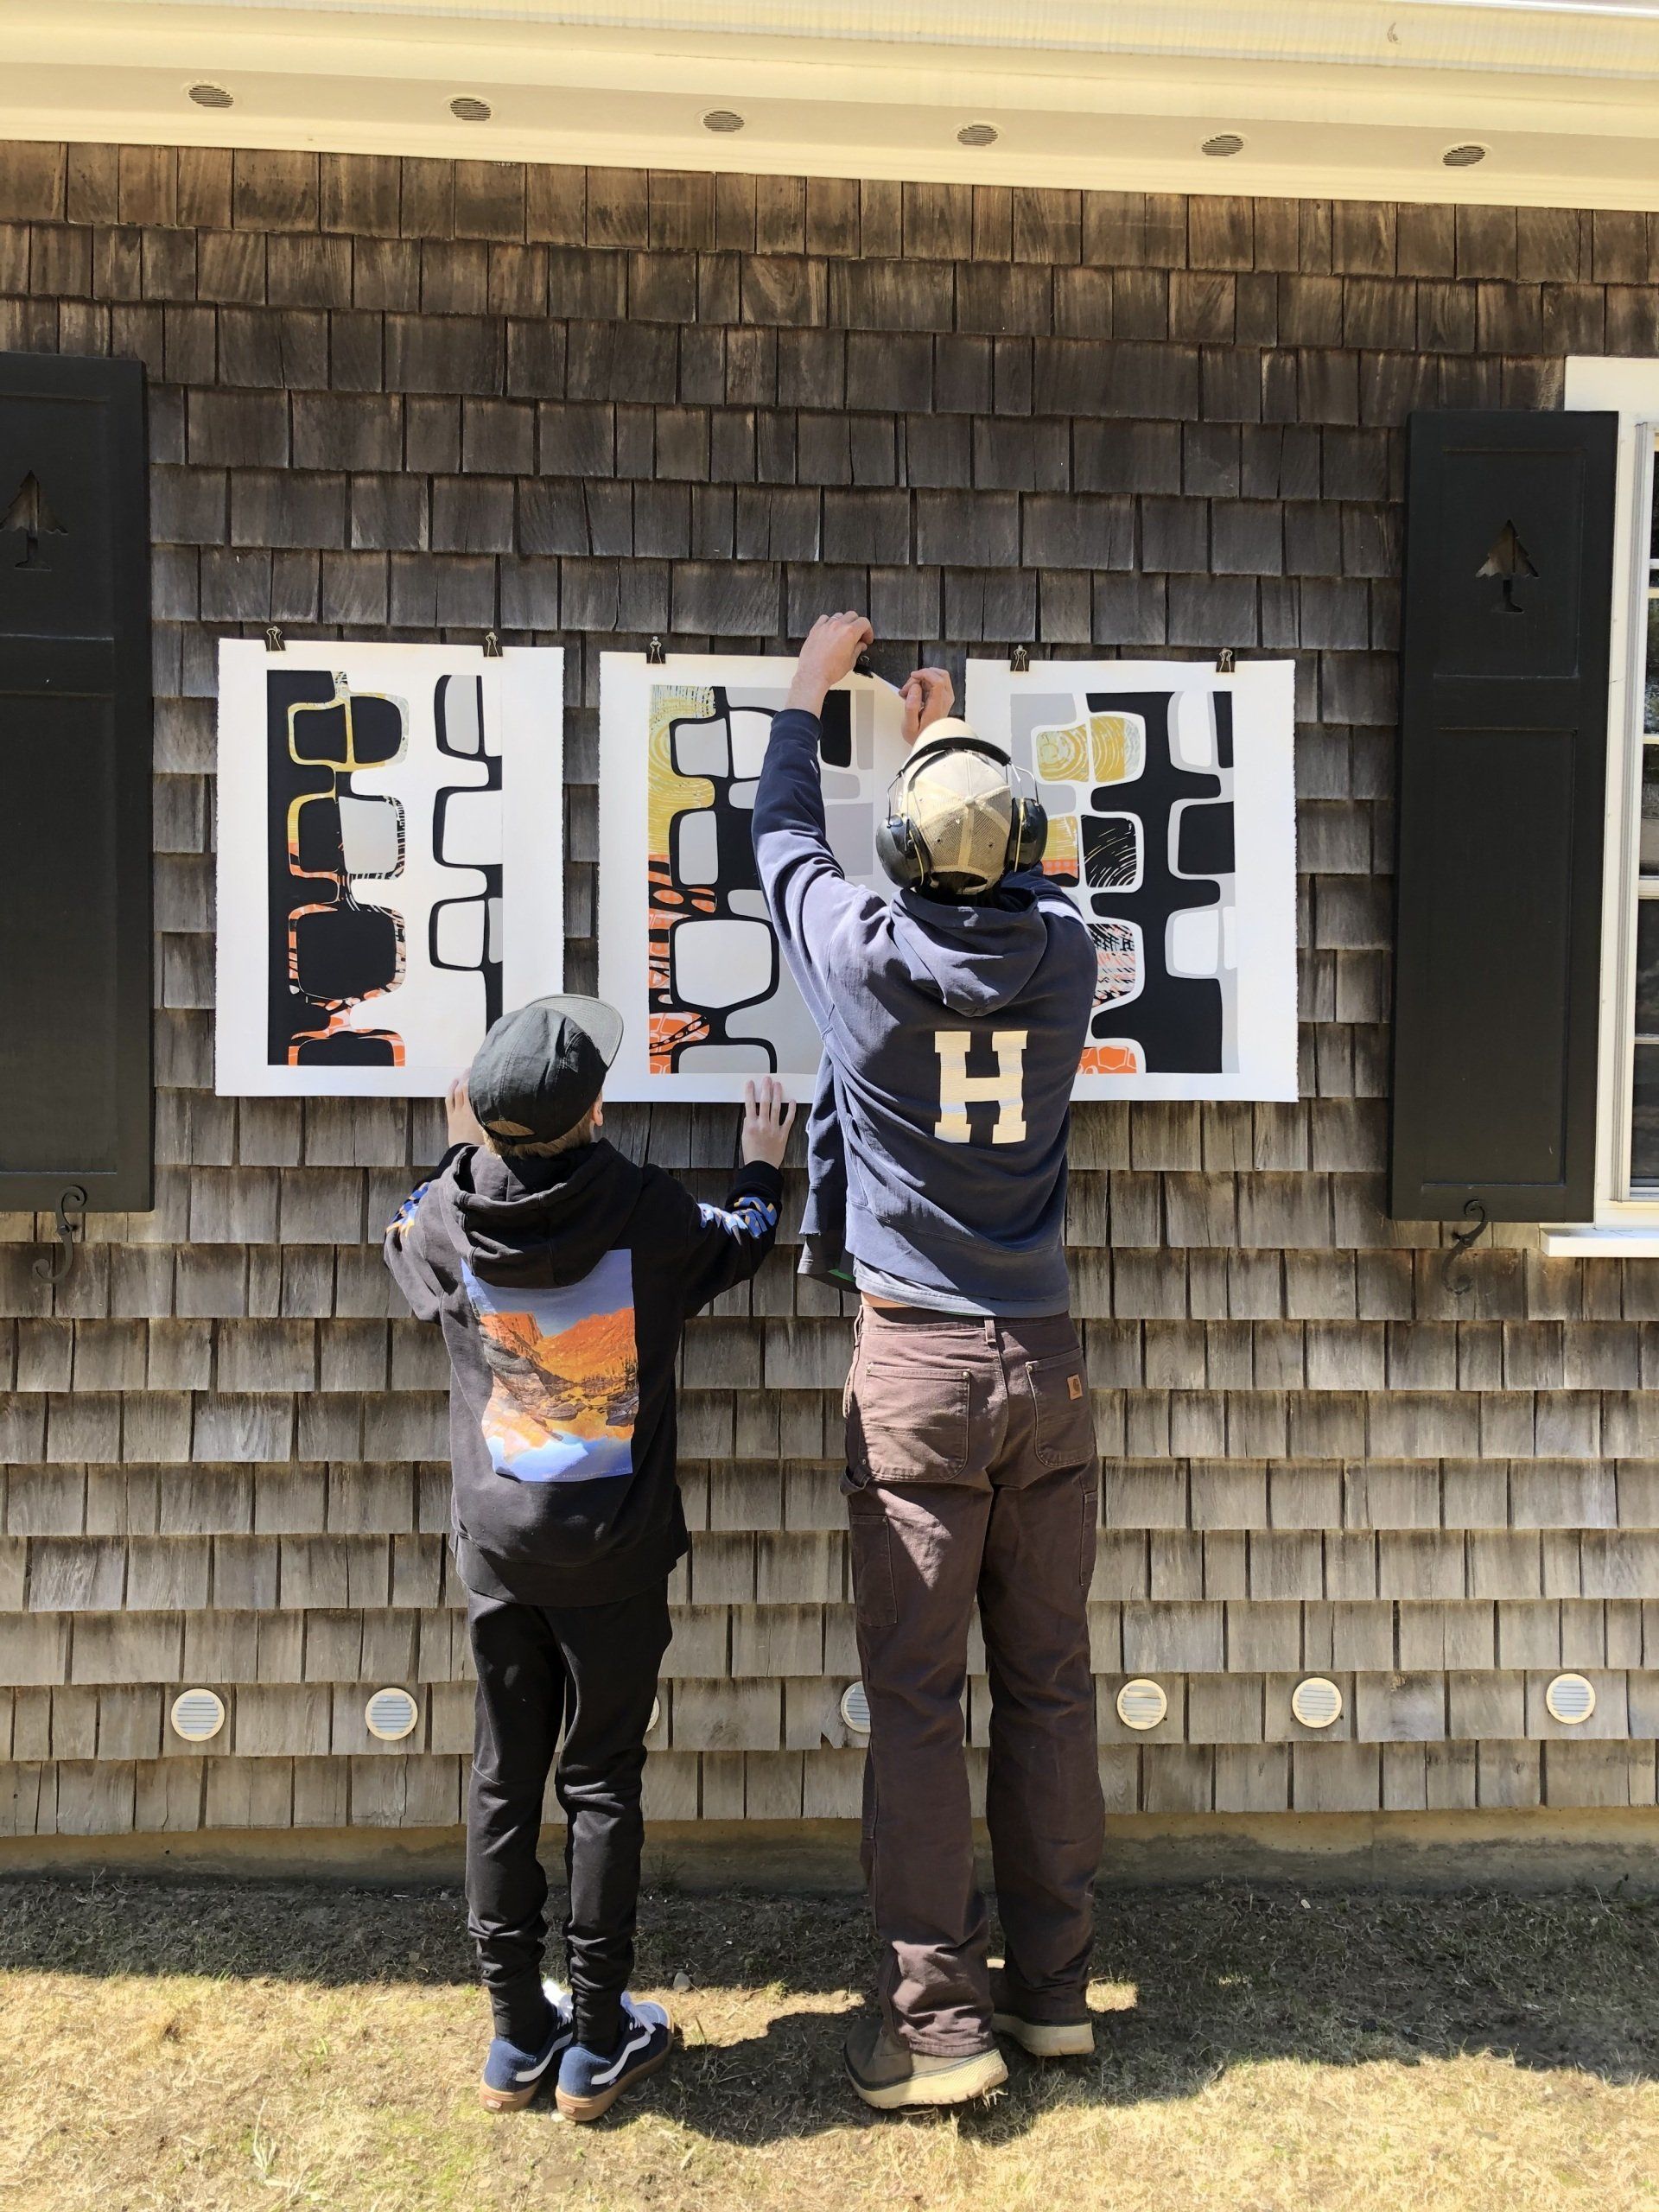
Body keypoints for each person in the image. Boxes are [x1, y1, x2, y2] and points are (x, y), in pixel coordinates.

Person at [753, 615, 1103, 2112]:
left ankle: (939, 2028)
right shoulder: (1074, 957)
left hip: (914, 1364)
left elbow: (782, 835)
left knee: (918, 1703)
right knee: (1050, 1690)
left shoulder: (859, 965)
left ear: (895, 856)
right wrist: (941, 765)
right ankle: (1058, 1997)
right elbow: (1012, 886)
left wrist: (809, 698)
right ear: (1022, 839)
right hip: (1047, 1358)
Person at [384, 995, 794, 2120]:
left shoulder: (450, 1216)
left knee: (505, 1778)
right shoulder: (643, 1211)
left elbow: (402, 1243)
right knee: (601, 1779)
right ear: (598, 1110)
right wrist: (763, 1166)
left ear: (485, 1119)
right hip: (613, 1558)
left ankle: (518, 2034)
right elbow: (742, 1245)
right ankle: (600, 2038)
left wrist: (450, 1154)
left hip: (501, 1555)